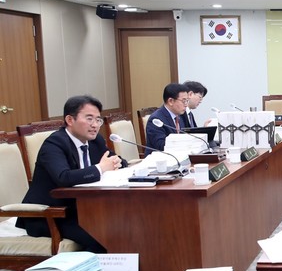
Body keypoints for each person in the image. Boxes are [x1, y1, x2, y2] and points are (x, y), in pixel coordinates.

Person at [16, 95, 127, 253]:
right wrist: (100, 168)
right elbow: (64, 177)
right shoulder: (54, 144)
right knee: (104, 238)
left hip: (83, 210)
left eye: (98, 120)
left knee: (127, 227)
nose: (95, 125)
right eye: (89, 119)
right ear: (70, 120)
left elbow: (118, 161)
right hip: (51, 215)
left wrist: (116, 162)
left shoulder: (95, 141)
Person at [145, 83, 190, 155]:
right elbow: (162, 146)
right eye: (183, 101)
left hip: (179, 156)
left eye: (187, 101)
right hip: (160, 159)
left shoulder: (181, 116)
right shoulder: (156, 120)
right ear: (171, 101)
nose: (186, 105)